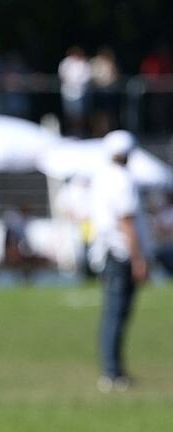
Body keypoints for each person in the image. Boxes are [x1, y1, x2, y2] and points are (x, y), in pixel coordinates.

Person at [88, 130, 151, 393]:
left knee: (113, 313)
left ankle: (113, 369)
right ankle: (112, 372)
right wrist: (139, 257)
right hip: (120, 252)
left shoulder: (101, 178)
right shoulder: (123, 180)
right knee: (117, 313)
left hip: (107, 250)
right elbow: (126, 221)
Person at [58, 46, 92, 137]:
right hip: (67, 93)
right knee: (69, 114)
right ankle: (71, 132)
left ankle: (79, 132)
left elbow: (86, 78)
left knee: (79, 115)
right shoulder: (66, 63)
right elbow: (62, 75)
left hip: (80, 93)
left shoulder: (84, 64)